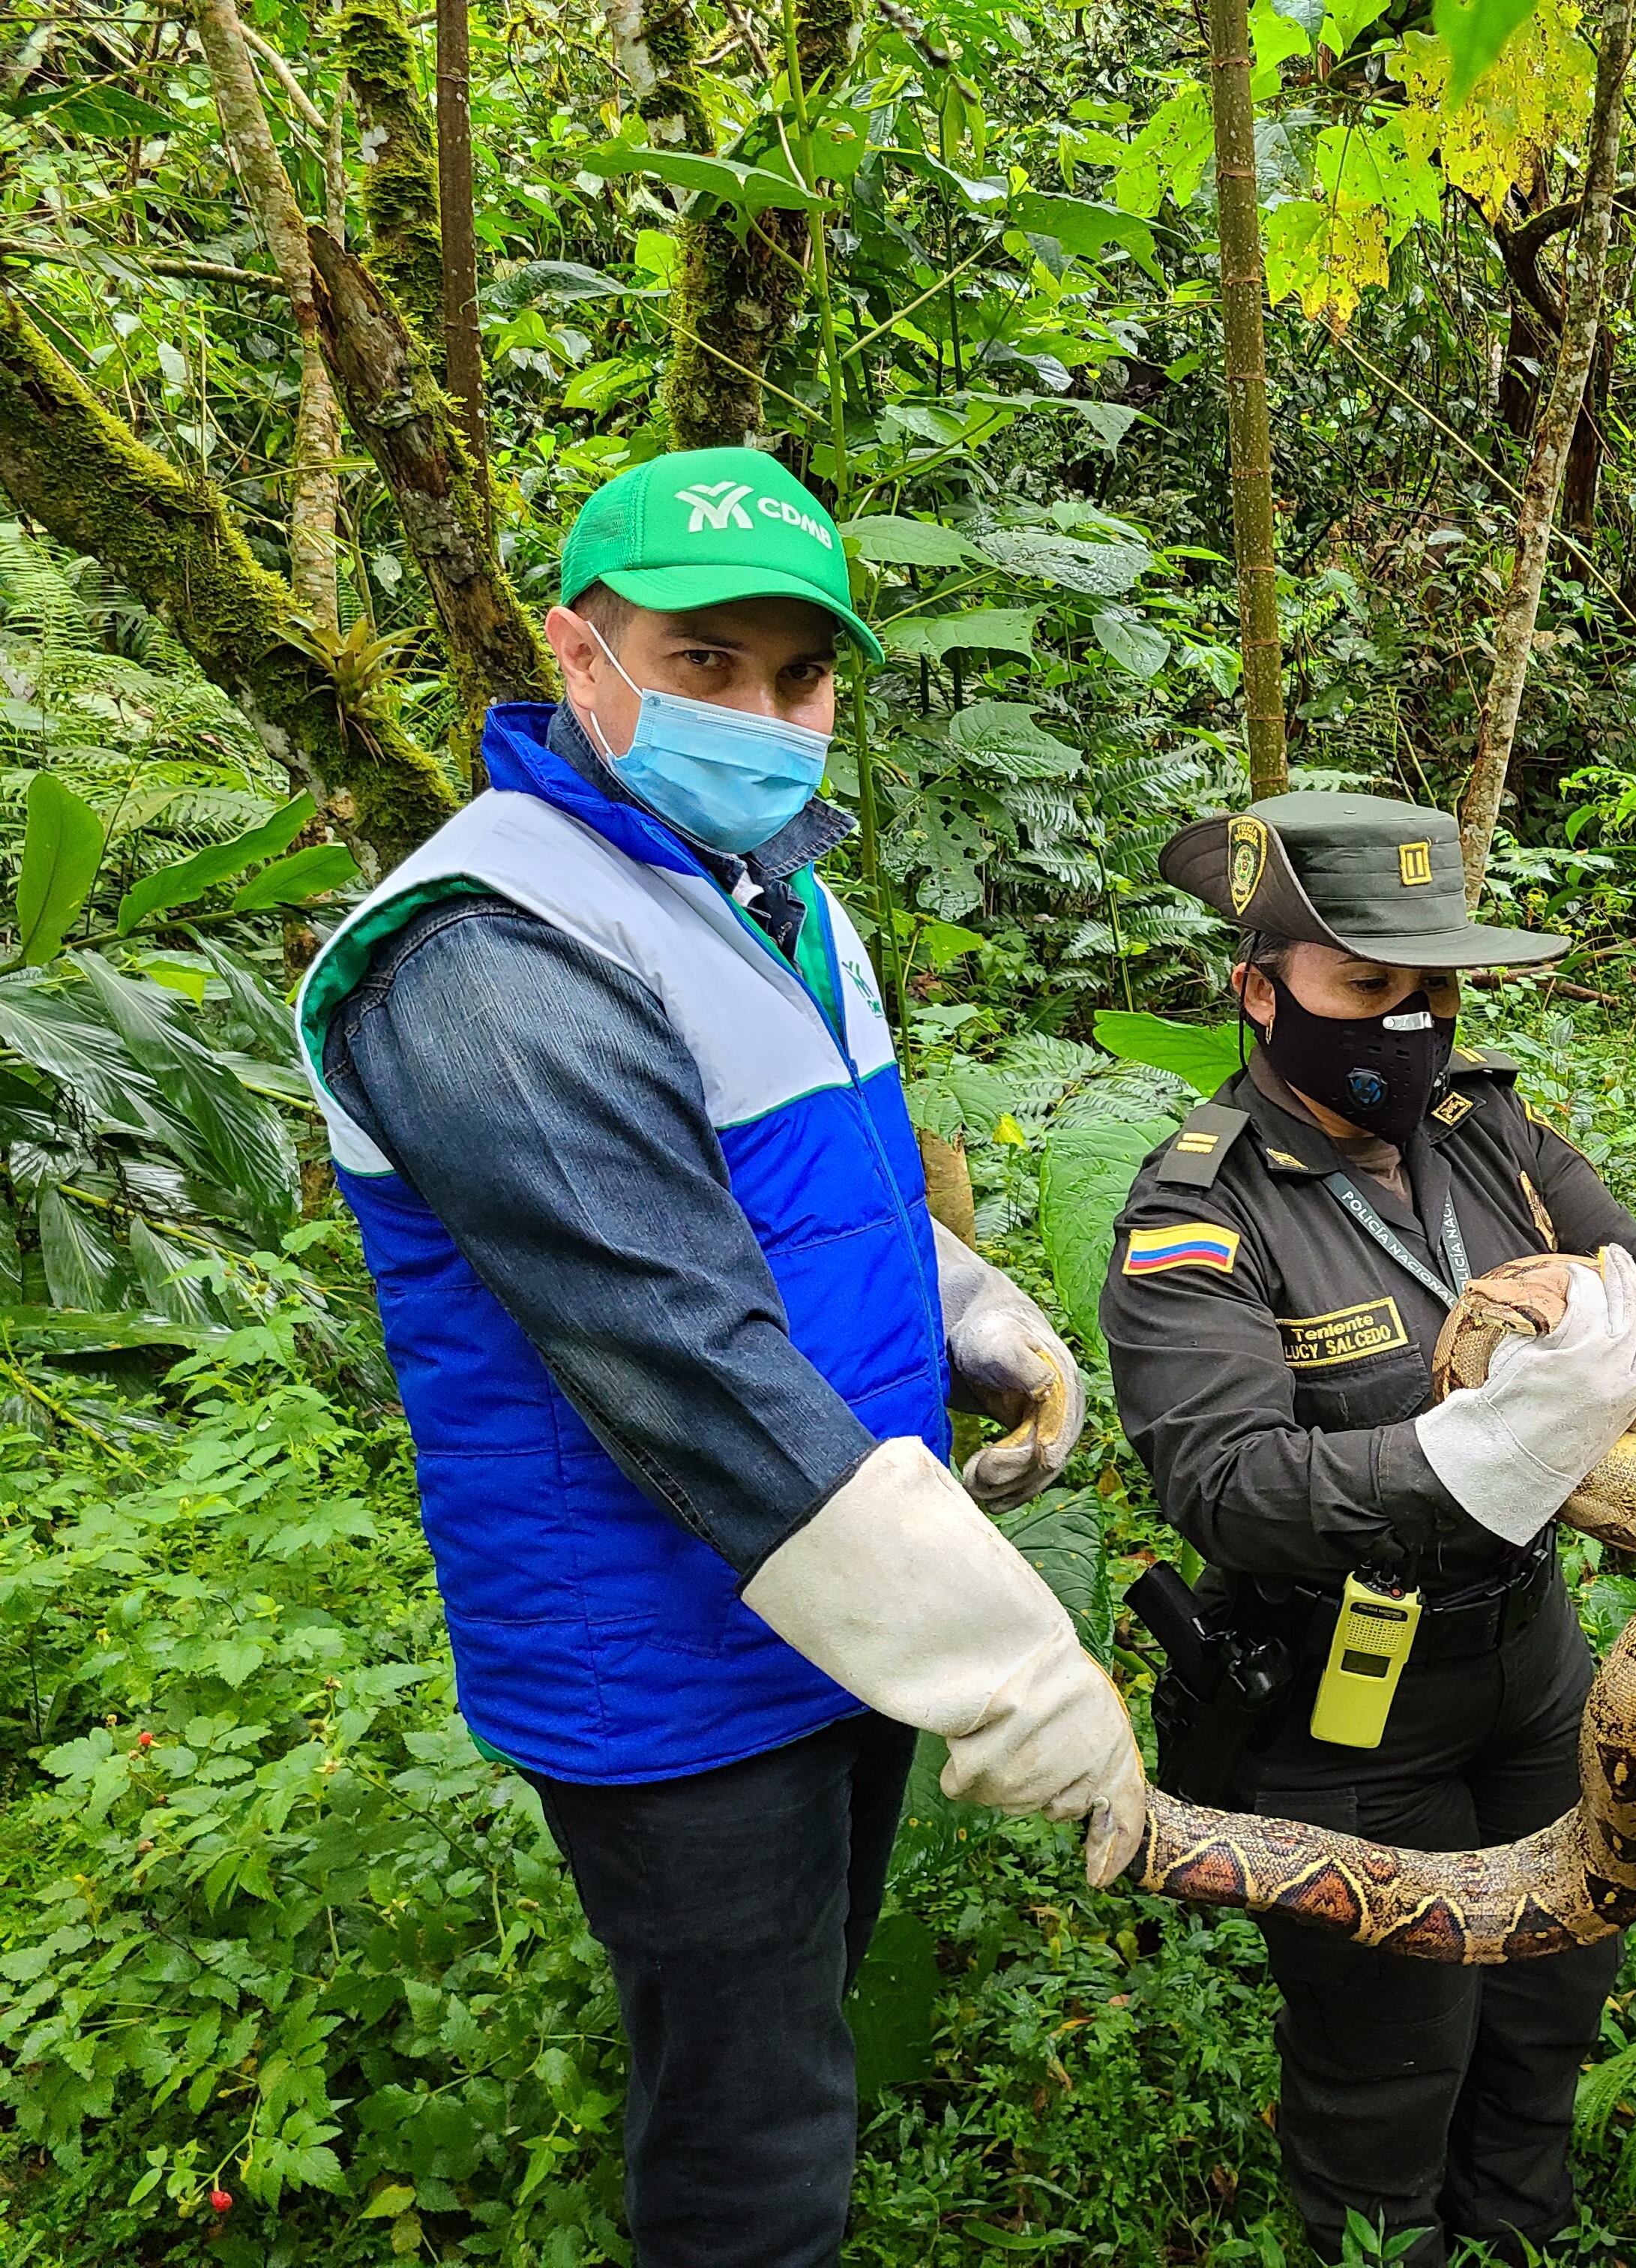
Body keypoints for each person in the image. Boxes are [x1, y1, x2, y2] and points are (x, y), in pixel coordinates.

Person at [293, 447, 1147, 2268]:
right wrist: (1008, 1667)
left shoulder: (766, 885)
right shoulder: (484, 957)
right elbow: (678, 1343)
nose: (761, 714)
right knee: (754, 2144)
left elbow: (800, 1189)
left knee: (792, 2039)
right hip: (663, 1657)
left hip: (840, 1611)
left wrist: (966, 1308)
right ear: (577, 656)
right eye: (703, 665)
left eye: (797, 676)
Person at [1102, 792, 1636, 2264]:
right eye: (1365, 990)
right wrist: (1478, 1450)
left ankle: (1520, 2236)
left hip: (1533, 1667)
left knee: (1548, 2012)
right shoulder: (1204, 1212)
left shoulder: (1487, 1130)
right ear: (1259, 990)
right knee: (1388, 2068)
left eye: (1432, 989)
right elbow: (1230, 1484)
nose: (1407, 1026)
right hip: (1346, 1711)